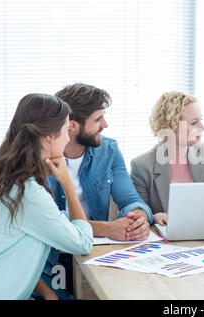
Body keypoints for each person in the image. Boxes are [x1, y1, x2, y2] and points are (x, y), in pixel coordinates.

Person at [43, 83, 153, 298]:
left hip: (95, 254)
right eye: (97, 119)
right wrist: (106, 228)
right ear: (72, 126)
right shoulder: (41, 157)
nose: (105, 124)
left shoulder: (108, 150)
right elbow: (49, 220)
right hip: (52, 258)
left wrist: (138, 218)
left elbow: (130, 199)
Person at [0, 93, 93, 300]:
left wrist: (48, 294)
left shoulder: (8, 181)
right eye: (65, 131)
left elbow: (12, 255)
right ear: (49, 137)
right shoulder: (28, 193)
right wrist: (68, 184)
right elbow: (82, 243)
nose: (68, 139)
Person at [130, 91, 204, 225]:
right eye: (194, 123)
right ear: (170, 126)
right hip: (169, 242)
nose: (203, 128)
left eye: (200, 120)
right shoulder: (142, 166)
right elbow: (137, 215)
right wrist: (154, 216)